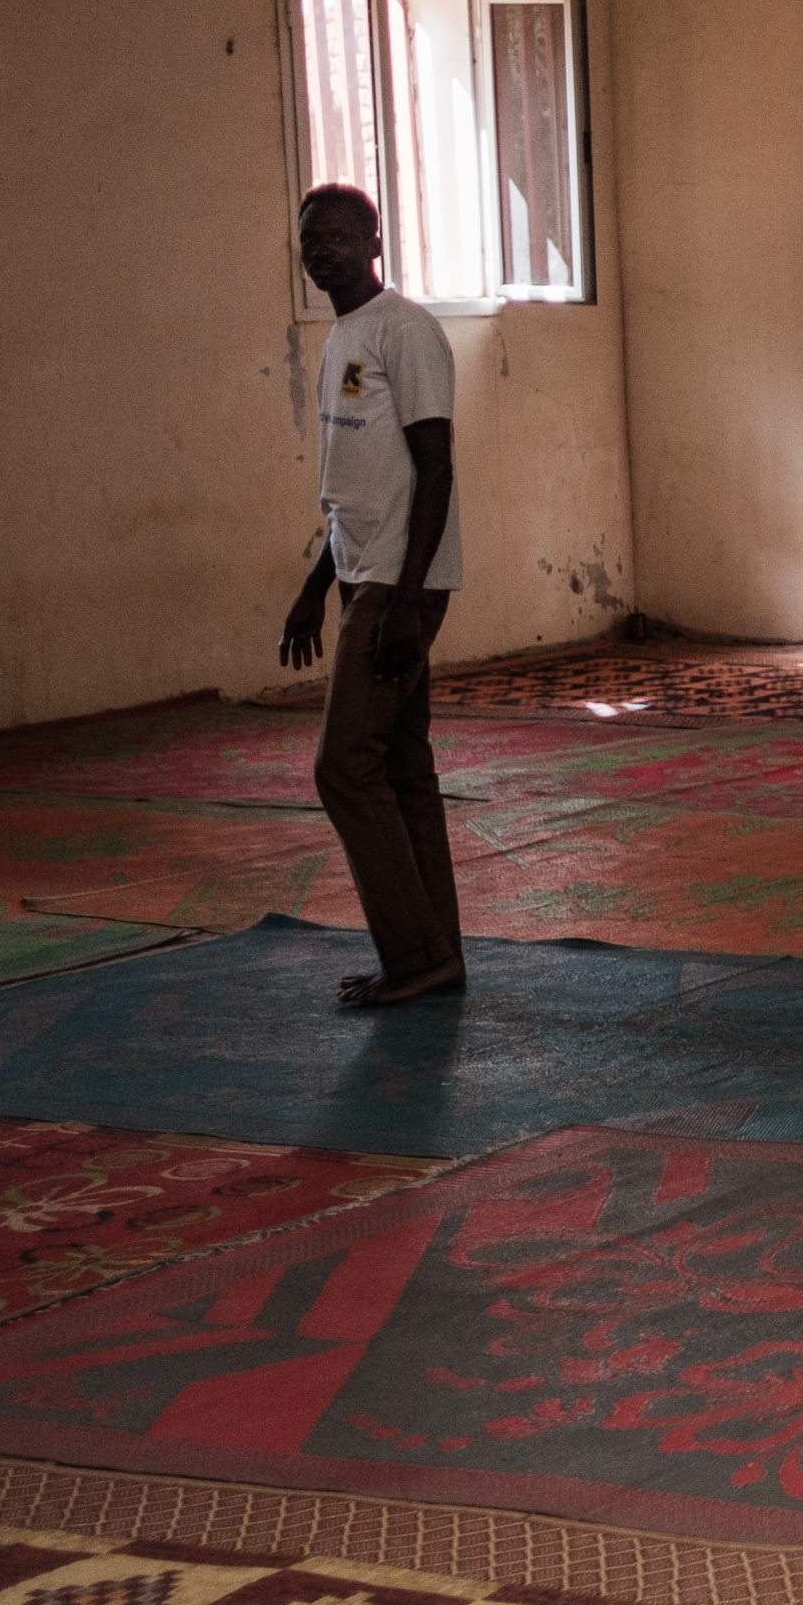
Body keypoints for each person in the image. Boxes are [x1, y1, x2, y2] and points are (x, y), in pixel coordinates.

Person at [274, 184, 468, 1010]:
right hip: (363, 575)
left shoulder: (404, 330)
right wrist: (314, 588)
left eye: (339, 235)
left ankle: (414, 954)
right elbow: (352, 491)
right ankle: (437, 951)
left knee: (343, 767)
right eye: (310, 239)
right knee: (400, 767)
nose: (322, 249)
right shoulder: (340, 338)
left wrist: (403, 601)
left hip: (397, 582)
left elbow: (436, 468)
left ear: (374, 241)